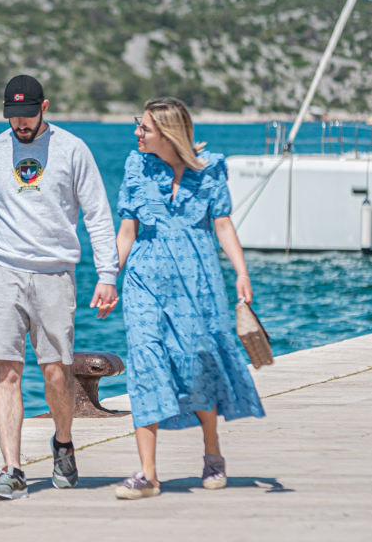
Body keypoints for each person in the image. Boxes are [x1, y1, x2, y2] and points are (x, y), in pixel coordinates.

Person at [0, 74, 120, 501]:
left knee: (56, 373)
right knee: (6, 370)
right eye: (13, 116)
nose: (20, 124)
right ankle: (11, 469)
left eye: (27, 115)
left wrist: (107, 275)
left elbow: (98, 214)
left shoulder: (72, 149)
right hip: (4, 271)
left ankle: (63, 444)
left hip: (55, 274)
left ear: (44, 108)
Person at [110, 97, 265, 500]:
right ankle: (148, 475)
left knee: (198, 361)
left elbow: (223, 224)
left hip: (198, 282)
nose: (136, 132)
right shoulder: (136, 166)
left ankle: (212, 453)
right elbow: (127, 230)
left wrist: (242, 273)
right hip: (144, 280)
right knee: (145, 362)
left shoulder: (209, 169)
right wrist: (108, 277)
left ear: (167, 133)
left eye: (143, 127)